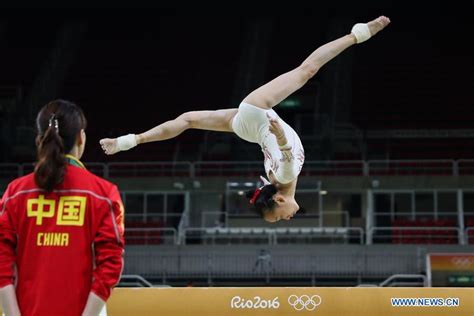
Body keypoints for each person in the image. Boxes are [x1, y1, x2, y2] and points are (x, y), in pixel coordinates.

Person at [100, 16, 390, 223]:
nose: (286, 219)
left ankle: (359, 33)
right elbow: (278, 164)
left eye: (277, 219)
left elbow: (287, 155)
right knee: (188, 119)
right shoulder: (276, 181)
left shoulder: (285, 179)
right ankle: (129, 141)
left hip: (256, 114)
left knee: (307, 70)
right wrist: (274, 136)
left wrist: (277, 133)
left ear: (278, 200)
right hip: (248, 129)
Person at [0, 100, 125, 316]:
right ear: (81, 138)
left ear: (40, 140)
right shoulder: (103, 194)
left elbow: (2, 261)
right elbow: (111, 265)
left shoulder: (16, 193)